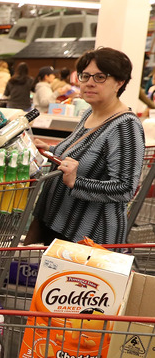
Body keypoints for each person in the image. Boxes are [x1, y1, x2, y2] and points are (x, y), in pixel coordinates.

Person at [31, 47, 145, 245]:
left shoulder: (125, 126)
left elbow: (125, 188)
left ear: (119, 82)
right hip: (57, 222)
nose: (90, 83)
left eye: (100, 77)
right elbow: (83, 154)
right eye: (85, 76)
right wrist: (51, 149)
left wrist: (77, 182)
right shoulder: (89, 114)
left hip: (87, 237)